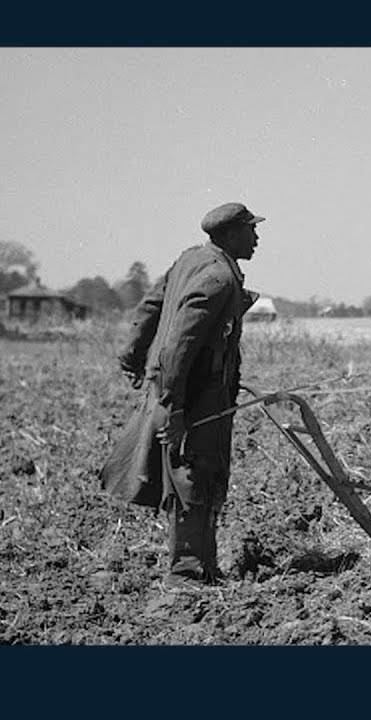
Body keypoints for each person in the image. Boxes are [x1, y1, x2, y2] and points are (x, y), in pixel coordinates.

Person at [99, 201, 263, 590]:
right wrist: (174, 406)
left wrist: (132, 356)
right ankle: (186, 574)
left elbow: (151, 307)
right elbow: (179, 344)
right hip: (193, 393)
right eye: (250, 229)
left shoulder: (190, 260)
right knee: (195, 472)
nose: (256, 237)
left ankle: (202, 566)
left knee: (194, 472)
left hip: (179, 388)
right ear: (229, 235)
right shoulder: (218, 278)